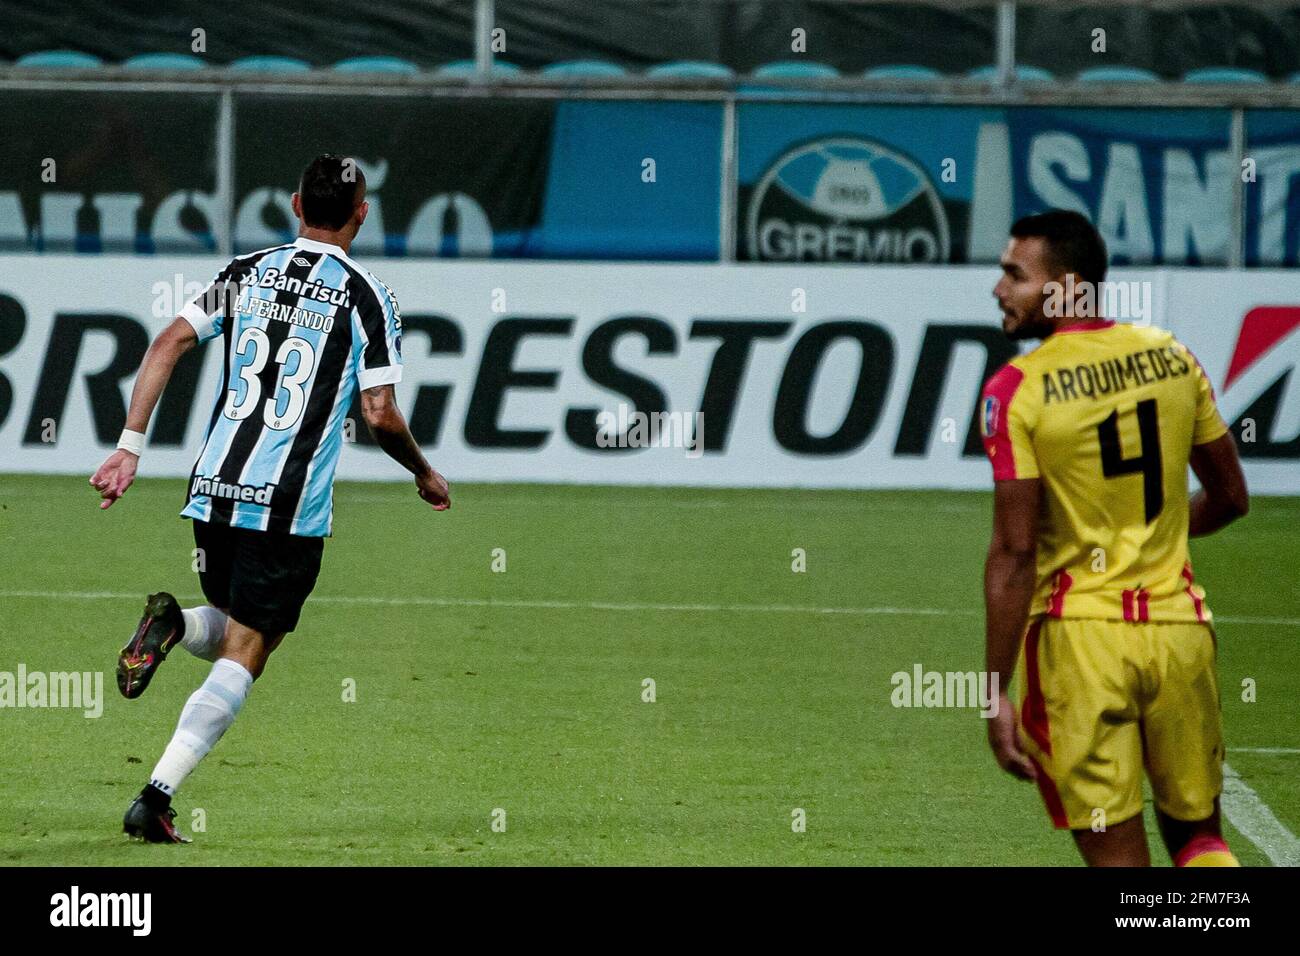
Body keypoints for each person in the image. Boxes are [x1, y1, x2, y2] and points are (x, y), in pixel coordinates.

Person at [90, 153, 451, 843]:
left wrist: (129, 447)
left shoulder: (245, 271)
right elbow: (379, 412)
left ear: (294, 204)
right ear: (361, 213)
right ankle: (155, 796)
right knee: (251, 648)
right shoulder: (366, 295)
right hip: (286, 504)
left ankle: (173, 626)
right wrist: (421, 472)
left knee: (233, 628)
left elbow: (168, 341)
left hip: (215, 487)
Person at [980, 209, 1248, 866]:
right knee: (1200, 841)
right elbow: (1231, 498)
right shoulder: (1173, 358)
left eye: (1015, 274)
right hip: (1179, 632)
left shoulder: (1018, 389)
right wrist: (1156, 536)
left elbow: (1016, 556)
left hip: (1081, 644)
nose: (998, 289)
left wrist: (994, 689)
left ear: (1066, 285)